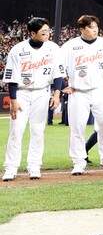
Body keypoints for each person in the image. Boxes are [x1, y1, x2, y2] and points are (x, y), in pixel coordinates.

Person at [2, 17, 64, 181]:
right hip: (21, 93)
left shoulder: (53, 48)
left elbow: (58, 74)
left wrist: (56, 94)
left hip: (42, 92)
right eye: (43, 32)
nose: (47, 34)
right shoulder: (18, 49)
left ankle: (34, 166)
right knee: (16, 130)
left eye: (48, 30)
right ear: (32, 33)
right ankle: (11, 167)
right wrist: (13, 100)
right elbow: (11, 78)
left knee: (38, 130)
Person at [61, 15, 103, 175]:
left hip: (99, 90)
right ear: (82, 29)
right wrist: (62, 86)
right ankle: (78, 161)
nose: (95, 30)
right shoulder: (70, 46)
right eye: (91, 27)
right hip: (78, 92)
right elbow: (59, 67)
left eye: (96, 27)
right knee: (77, 127)